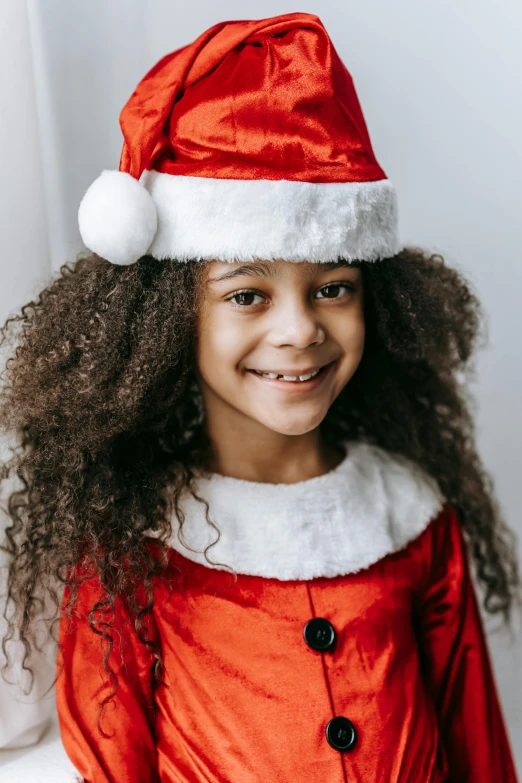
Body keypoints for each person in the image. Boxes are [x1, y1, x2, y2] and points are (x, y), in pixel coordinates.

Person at [0, 11, 520, 783]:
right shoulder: (131, 541)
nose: (299, 330)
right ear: (170, 319)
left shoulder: (412, 512)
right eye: (248, 295)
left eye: (334, 288)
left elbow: (480, 752)